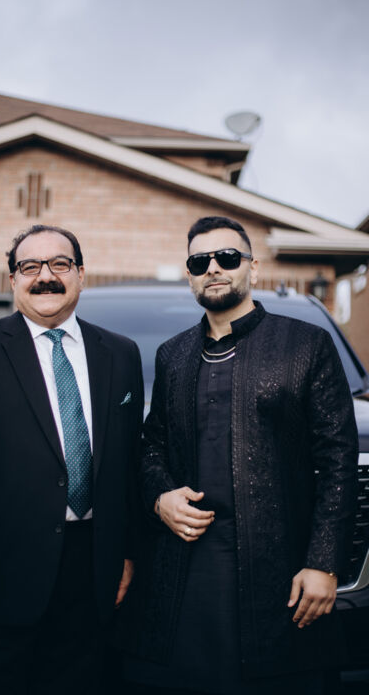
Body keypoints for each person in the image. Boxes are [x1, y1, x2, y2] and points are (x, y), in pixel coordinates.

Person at [122, 216, 358, 695]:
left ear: (252, 267)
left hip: (280, 569)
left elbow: (339, 457)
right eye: (199, 262)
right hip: (185, 570)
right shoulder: (172, 355)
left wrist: (323, 562)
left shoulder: (305, 344)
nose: (213, 268)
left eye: (227, 258)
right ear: (190, 275)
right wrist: (161, 498)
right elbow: (151, 446)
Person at [0, 224, 144, 694]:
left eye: (59, 264)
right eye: (30, 266)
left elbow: (128, 465)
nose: (45, 277)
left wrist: (125, 553)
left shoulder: (120, 354)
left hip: (92, 571)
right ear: (13, 279)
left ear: (81, 275)